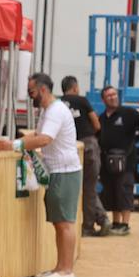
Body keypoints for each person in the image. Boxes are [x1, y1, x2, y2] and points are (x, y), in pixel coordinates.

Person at [20, 73, 81, 277]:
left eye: (32, 92)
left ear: (43, 89)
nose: (30, 96)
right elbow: (39, 135)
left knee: (65, 222)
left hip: (64, 171)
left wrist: (16, 145)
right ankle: (61, 267)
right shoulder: (49, 110)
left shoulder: (54, 111)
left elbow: (44, 139)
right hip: (59, 171)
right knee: (60, 221)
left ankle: (66, 270)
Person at [97, 86, 139, 236]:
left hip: (125, 161)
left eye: (114, 94)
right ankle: (116, 223)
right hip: (107, 162)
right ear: (103, 99)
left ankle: (125, 224)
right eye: (109, 95)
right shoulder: (102, 118)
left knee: (124, 190)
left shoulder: (127, 113)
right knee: (111, 191)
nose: (113, 97)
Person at [60, 76, 108, 237]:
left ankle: (95, 221)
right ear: (75, 88)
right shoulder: (82, 100)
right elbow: (96, 123)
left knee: (79, 188)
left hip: (68, 147)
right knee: (90, 186)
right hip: (88, 145)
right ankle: (96, 221)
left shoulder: (58, 103)